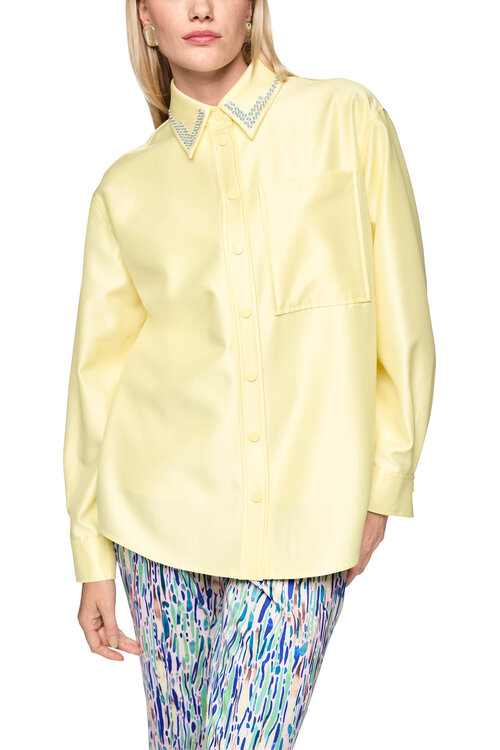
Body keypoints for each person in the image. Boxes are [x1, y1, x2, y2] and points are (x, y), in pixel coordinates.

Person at [62, 1, 436, 748]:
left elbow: (404, 323)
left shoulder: (346, 120)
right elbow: (96, 380)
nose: (201, 7)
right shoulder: (126, 188)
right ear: (145, 17)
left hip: (307, 518)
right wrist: (90, 553)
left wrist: (384, 483)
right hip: (155, 526)